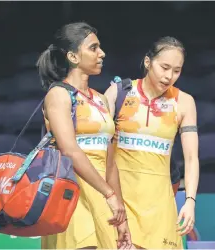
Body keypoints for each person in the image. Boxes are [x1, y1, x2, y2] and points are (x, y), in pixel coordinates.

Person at [36, 22, 131, 249]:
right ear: (73, 56)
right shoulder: (58, 95)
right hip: (70, 193)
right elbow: (69, 150)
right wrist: (109, 194)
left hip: (101, 195)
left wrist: (121, 215)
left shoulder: (100, 100)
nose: (102, 53)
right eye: (93, 48)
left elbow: (110, 164)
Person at [104, 36, 199, 249]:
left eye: (176, 70)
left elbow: (191, 158)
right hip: (119, 205)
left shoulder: (184, 102)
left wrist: (190, 202)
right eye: (164, 67)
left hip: (160, 207)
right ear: (148, 62)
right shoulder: (119, 93)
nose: (169, 76)